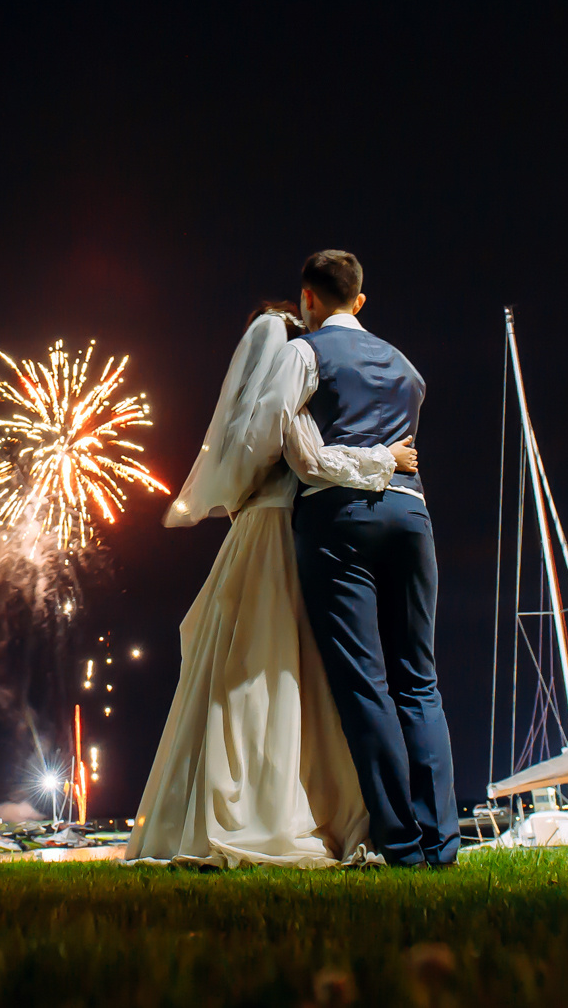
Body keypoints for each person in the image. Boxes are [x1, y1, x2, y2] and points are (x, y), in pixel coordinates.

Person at [124, 288, 419, 867]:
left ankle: (253, 799)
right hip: (288, 529)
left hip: (259, 529)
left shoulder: (264, 406)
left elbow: (249, 464)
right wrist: (383, 460)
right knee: (288, 666)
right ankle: (301, 806)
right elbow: (305, 458)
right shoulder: (295, 398)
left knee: (253, 668)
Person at [290, 249, 459, 866]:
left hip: (339, 517)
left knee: (366, 685)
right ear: (360, 301)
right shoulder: (407, 367)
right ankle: (442, 842)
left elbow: (298, 451)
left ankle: (401, 844)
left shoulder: (303, 353)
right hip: (411, 516)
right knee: (421, 680)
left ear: (308, 299)